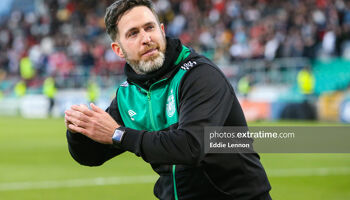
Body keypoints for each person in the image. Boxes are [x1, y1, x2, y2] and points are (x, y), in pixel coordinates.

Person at [65, 0, 271, 199]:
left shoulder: (199, 75)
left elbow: (191, 146)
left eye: (149, 28)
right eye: (133, 33)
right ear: (118, 50)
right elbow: (92, 155)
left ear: (162, 31)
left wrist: (118, 134)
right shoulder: (128, 95)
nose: (146, 38)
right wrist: (78, 130)